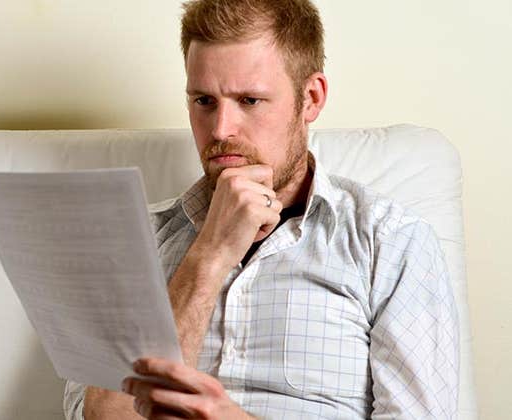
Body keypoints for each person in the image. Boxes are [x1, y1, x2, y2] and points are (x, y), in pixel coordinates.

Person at [64, 0, 459, 418]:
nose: (220, 130)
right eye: (203, 101)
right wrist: (210, 255)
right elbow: (102, 415)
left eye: (249, 101)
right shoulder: (134, 238)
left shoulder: (389, 241)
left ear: (311, 98)